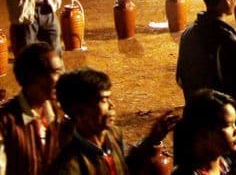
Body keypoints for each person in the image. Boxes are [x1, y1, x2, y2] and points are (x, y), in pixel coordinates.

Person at [48, 67, 179, 174]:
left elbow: (125, 167)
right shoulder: (69, 166)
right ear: (79, 110)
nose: (112, 105)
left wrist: (152, 139)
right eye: (103, 100)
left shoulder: (113, 134)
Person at [0, 42, 67, 175]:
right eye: (55, 72)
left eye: (60, 71)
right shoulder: (1, 125)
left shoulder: (59, 115)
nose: (59, 79)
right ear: (30, 77)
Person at [176, 0, 236, 102]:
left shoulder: (188, 33)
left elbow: (180, 79)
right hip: (221, 115)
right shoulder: (227, 40)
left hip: (195, 111)